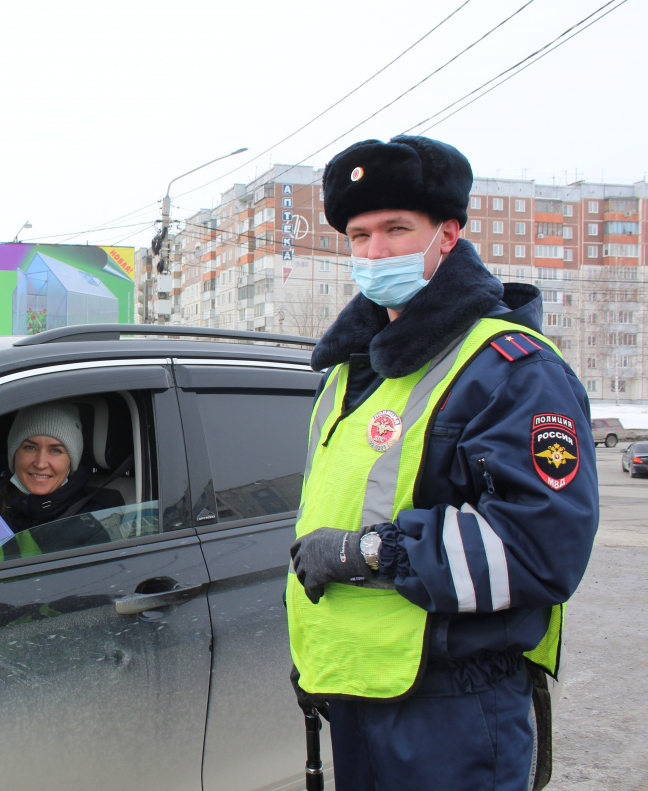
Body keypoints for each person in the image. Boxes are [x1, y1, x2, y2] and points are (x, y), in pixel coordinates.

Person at [285, 135, 599, 790]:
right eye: (360, 235)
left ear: (447, 235)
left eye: (398, 230)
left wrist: (371, 552)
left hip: (454, 705)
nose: (376, 252)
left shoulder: (510, 366)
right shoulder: (350, 374)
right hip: (359, 694)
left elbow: (543, 544)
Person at [0, 401, 122, 564]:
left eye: (56, 450)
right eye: (30, 447)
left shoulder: (95, 521)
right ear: (14, 454)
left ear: (71, 461)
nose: (40, 463)